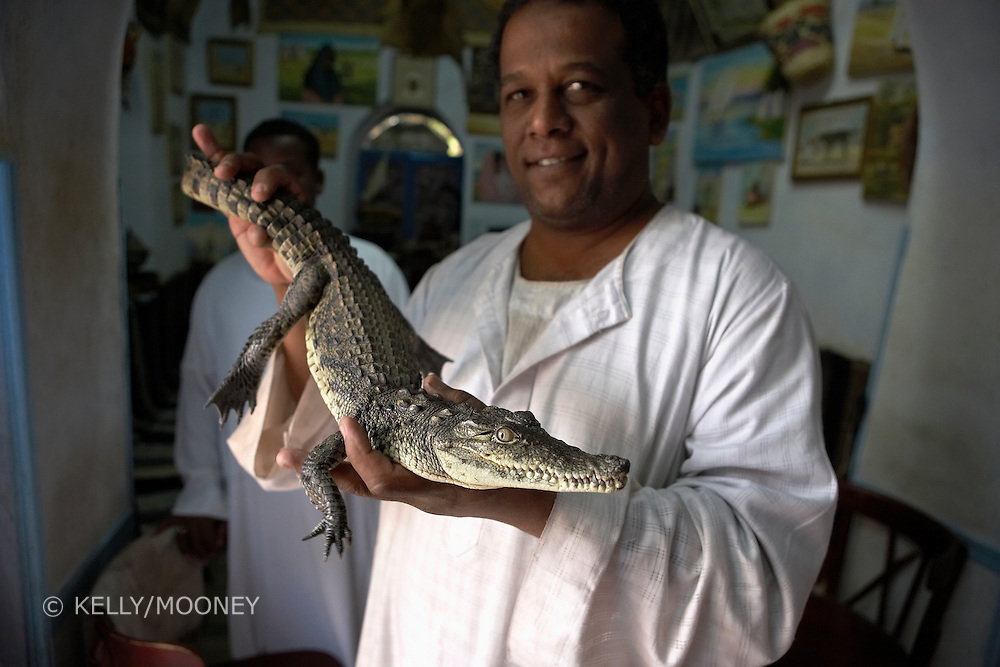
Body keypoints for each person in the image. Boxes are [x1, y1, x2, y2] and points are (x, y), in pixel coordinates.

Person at [194, 0, 838, 664]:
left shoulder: (740, 295)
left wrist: (522, 495)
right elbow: (327, 431)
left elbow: (753, 592)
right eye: (518, 93)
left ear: (655, 110)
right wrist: (292, 290)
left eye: (580, 87)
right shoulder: (453, 275)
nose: (544, 121)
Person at [165, 118, 410, 665]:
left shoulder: (377, 270)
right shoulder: (218, 286)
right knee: (268, 627)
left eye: (289, 173)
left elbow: (403, 391)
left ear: (314, 182)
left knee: (359, 625)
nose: (270, 189)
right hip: (256, 493)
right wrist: (202, 493)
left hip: (353, 487)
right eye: (258, 171)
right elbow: (199, 391)